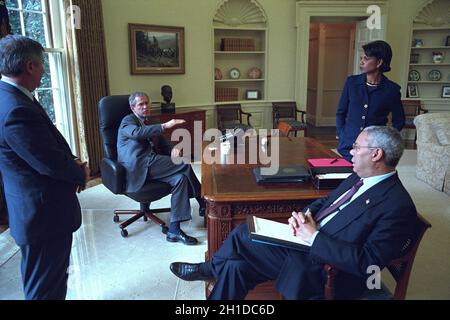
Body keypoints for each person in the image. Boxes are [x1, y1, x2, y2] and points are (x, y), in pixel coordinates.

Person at [170, 126, 418, 299]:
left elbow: (369, 264)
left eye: (356, 147)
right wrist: (306, 214)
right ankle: (215, 268)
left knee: (243, 233)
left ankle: (211, 268)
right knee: (236, 266)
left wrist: (313, 237)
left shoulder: (396, 205)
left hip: (327, 268)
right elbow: (326, 201)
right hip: (306, 243)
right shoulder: (357, 175)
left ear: (376, 154)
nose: (350, 151)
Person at [0, 35, 90, 300]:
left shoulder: (12, 96)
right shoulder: (16, 109)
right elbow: (47, 162)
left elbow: (45, 143)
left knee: (42, 278)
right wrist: (79, 172)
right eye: (41, 65)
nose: (43, 71)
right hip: (44, 215)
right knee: (45, 288)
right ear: (30, 66)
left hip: (33, 212)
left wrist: (71, 159)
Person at [117, 92, 205, 245]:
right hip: (138, 167)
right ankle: (203, 203)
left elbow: (164, 142)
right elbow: (137, 134)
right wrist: (165, 125)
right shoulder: (127, 121)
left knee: (180, 179)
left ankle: (174, 230)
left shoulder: (149, 121)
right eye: (141, 104)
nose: (145, 107)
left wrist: (173, 150)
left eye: (147, 103)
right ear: (133, 108)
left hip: (151, 164)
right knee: (183, 164)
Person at [336, 40, 405, 162]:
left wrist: (385, 140)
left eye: (366, 59)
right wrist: (341, 134)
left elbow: (399, 120)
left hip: (373, 149)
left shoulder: (392, 90)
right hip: (347, 144)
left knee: (367, 179)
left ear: (379, 62)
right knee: (345, 177)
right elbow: (341, 112)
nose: (361, 62)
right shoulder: (351, 82)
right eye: (361, 58)